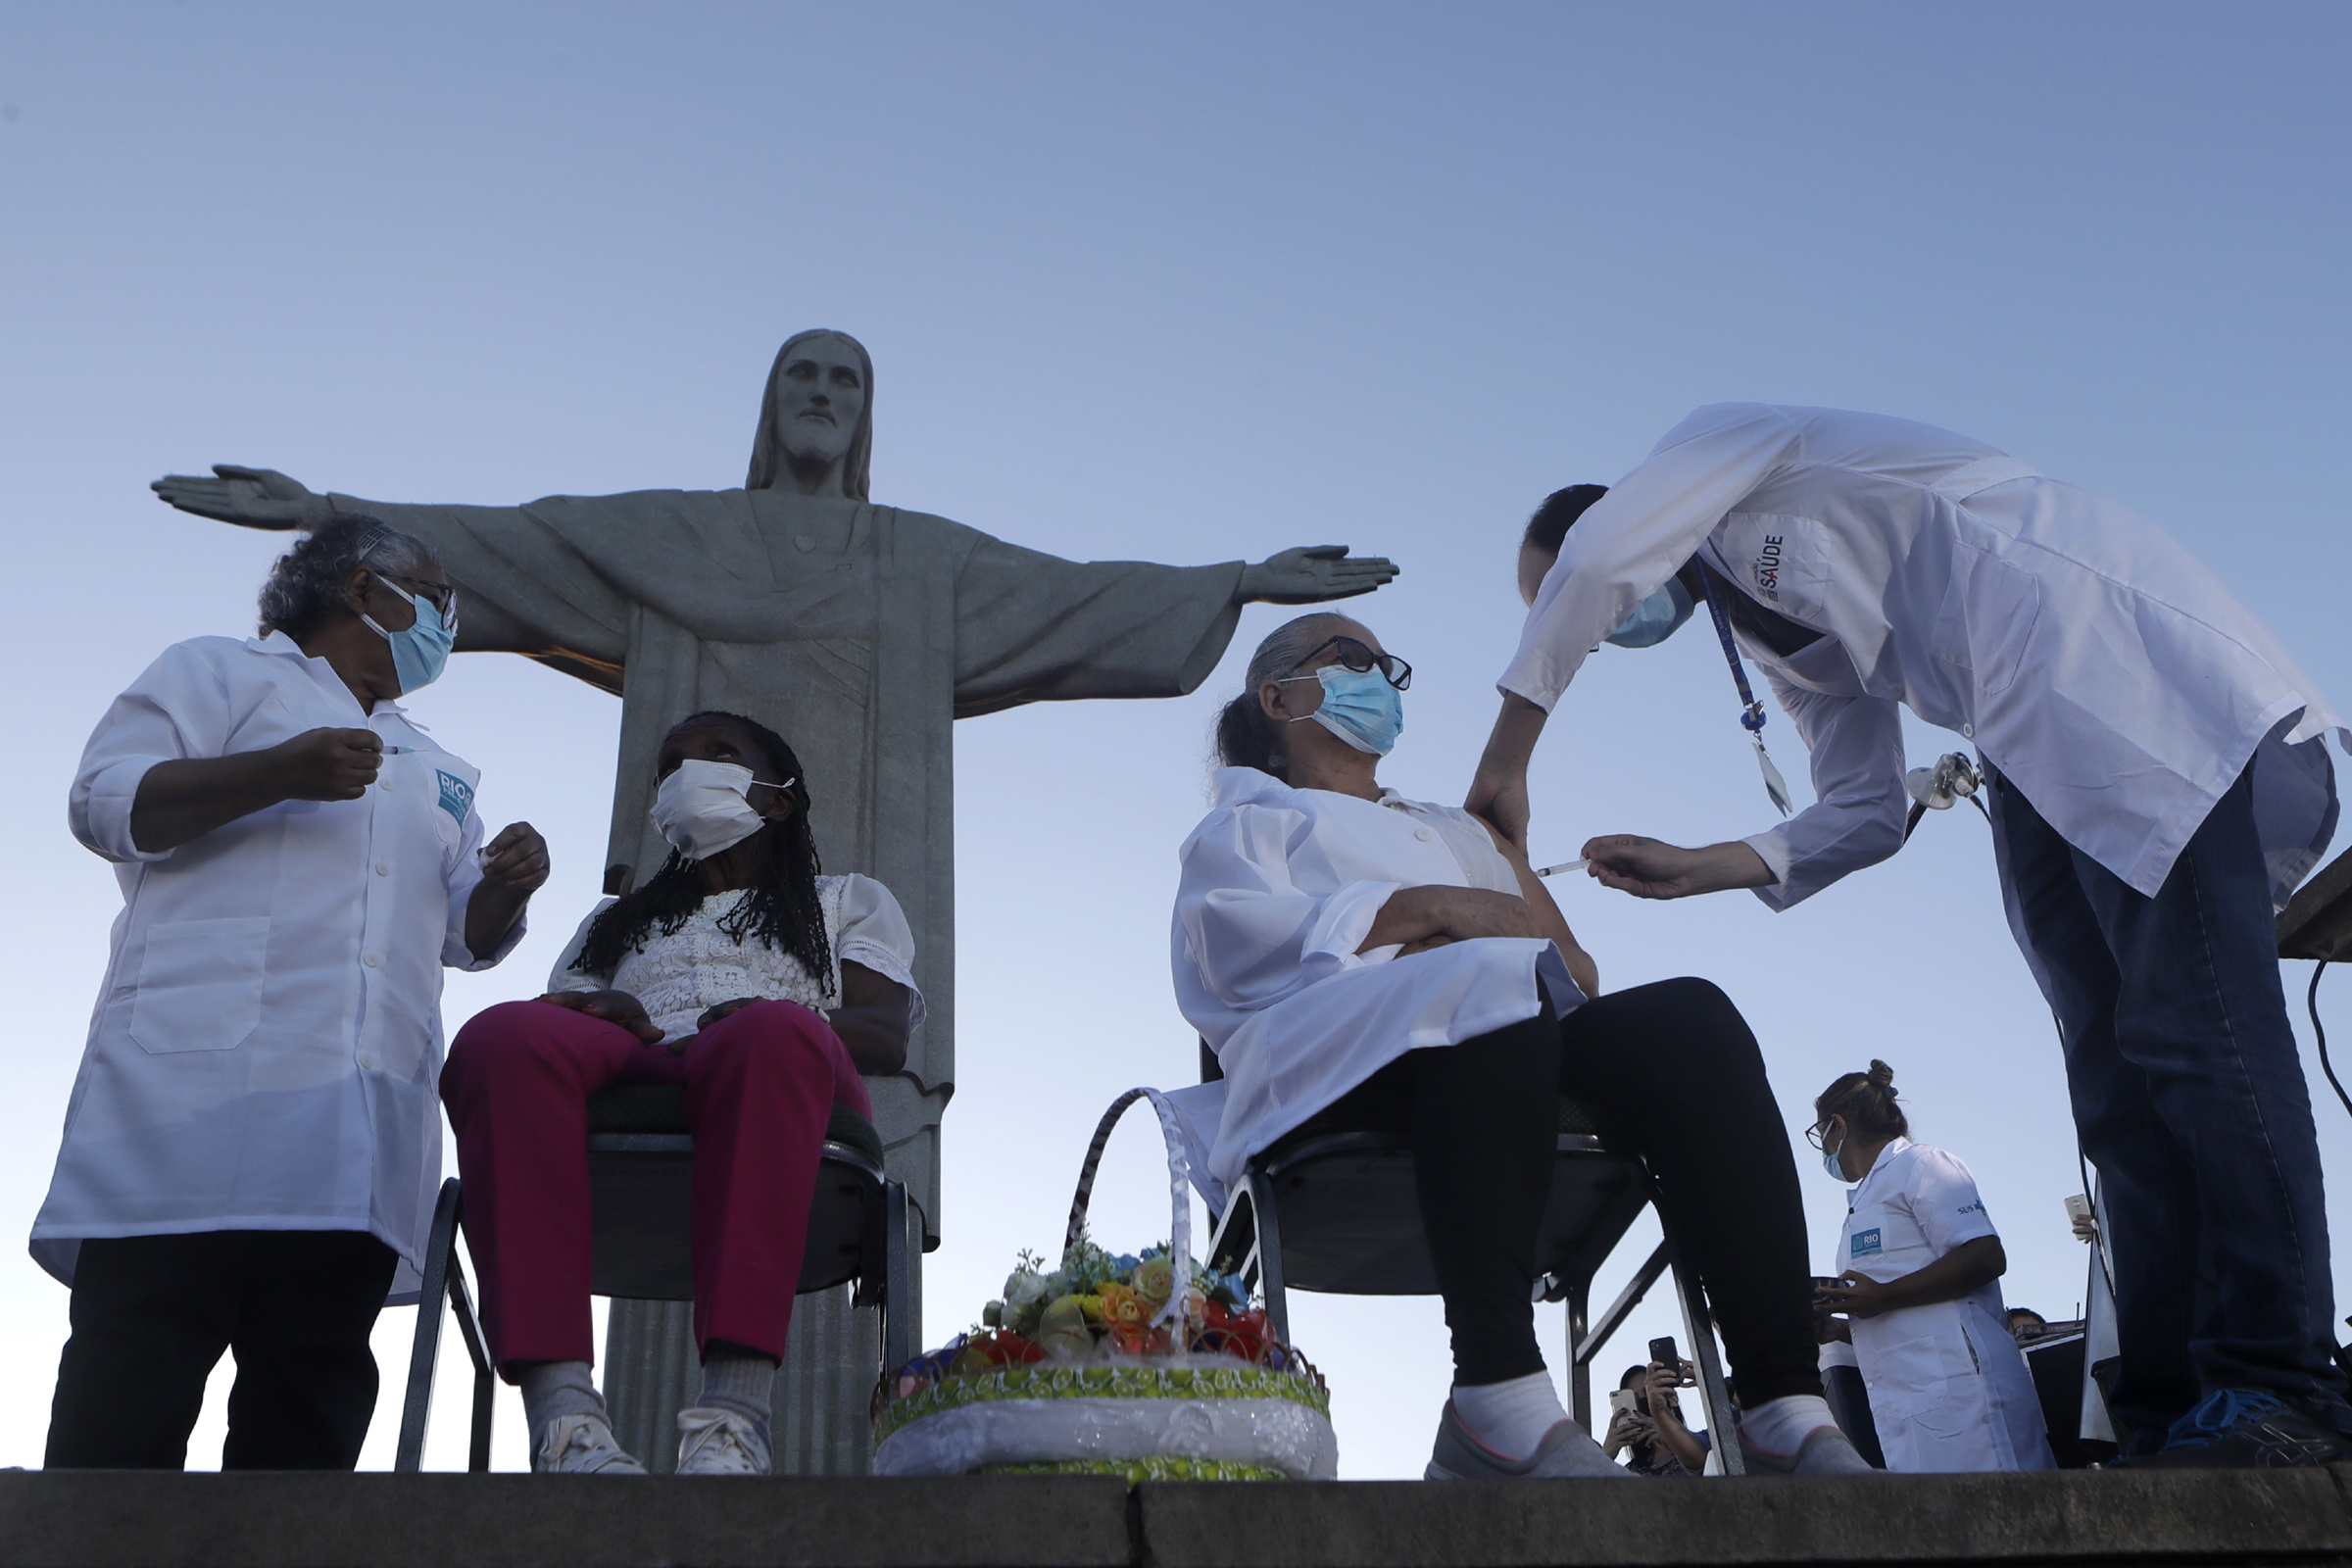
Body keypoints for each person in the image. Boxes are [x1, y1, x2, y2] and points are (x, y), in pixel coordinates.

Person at [1470, 406, 2352, 1467]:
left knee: (2193, 1033)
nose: (1592, 624)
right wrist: (1702, 865)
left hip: (2097, 655)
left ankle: (2276, 1377)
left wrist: (1508, 757)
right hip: (2017, 729)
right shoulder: (1769, 635)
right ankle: (2167, 1404)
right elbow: (1867, 806)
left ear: (1615, 528)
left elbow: (1606, 559)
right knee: (2113, 1081)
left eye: (1561, 596)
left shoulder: (1715, 456)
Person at [1174, 612, 1872, 1480]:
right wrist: (1434, 913)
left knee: (1694, 1022)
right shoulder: (1254, 817)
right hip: (1336, 1072)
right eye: (1350, 660)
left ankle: (1778, 1402)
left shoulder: (1461, 829)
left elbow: (1571, 968)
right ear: (1276, 696)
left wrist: (1474, 911)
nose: (1379, 679)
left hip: (1504, 1050)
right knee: (1485, 983)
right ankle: (1493, 1393)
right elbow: (1235, 944)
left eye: (1389, 666)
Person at [34, 516, 546, 1470]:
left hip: (351, 1131)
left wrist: (509, 883)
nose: (447, 624)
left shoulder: (438, 767)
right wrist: (279, 772)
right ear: (363, 588)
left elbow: (462, 936)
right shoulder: (218, 675)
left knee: (308, 1413)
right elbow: (105, 803)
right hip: (184, 1109)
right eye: (436, 599)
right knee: (127, 1400)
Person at [440, 710, 920, 1476]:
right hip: (640, 1060)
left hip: (776, 1073)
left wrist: (778, 1014)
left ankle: (732, 1420)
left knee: (773, 1037)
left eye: (720, 755)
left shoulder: (846, 899)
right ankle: (566, 1421)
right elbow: (566, 1014)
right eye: (671, 764)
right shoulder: (613, 920)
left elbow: (885, 1030)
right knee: (502, 1036)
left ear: (779, 800)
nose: (688, 771)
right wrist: (617, 1013)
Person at [1812, 1060, 2055, 1473]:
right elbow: (1900, 1315)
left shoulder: (1921, 1165)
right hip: (1910, 1410)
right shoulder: (1865, 1200)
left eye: (1819, 1135)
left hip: (1966, 1397)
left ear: (1837, 1126)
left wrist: (1885, 1295)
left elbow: (1985, 1255)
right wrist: (1838, 1328)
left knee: (2010, 1525)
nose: (1823, 1149)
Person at [1602, 1361, 1709, 1476]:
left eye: (1648, 1393)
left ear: (1673, 1398)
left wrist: (1670, 1435)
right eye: (1634, 1398)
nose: (1642, 1402)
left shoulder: (1703, 1443)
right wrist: (1604, 1457)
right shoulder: (1630, 1473)